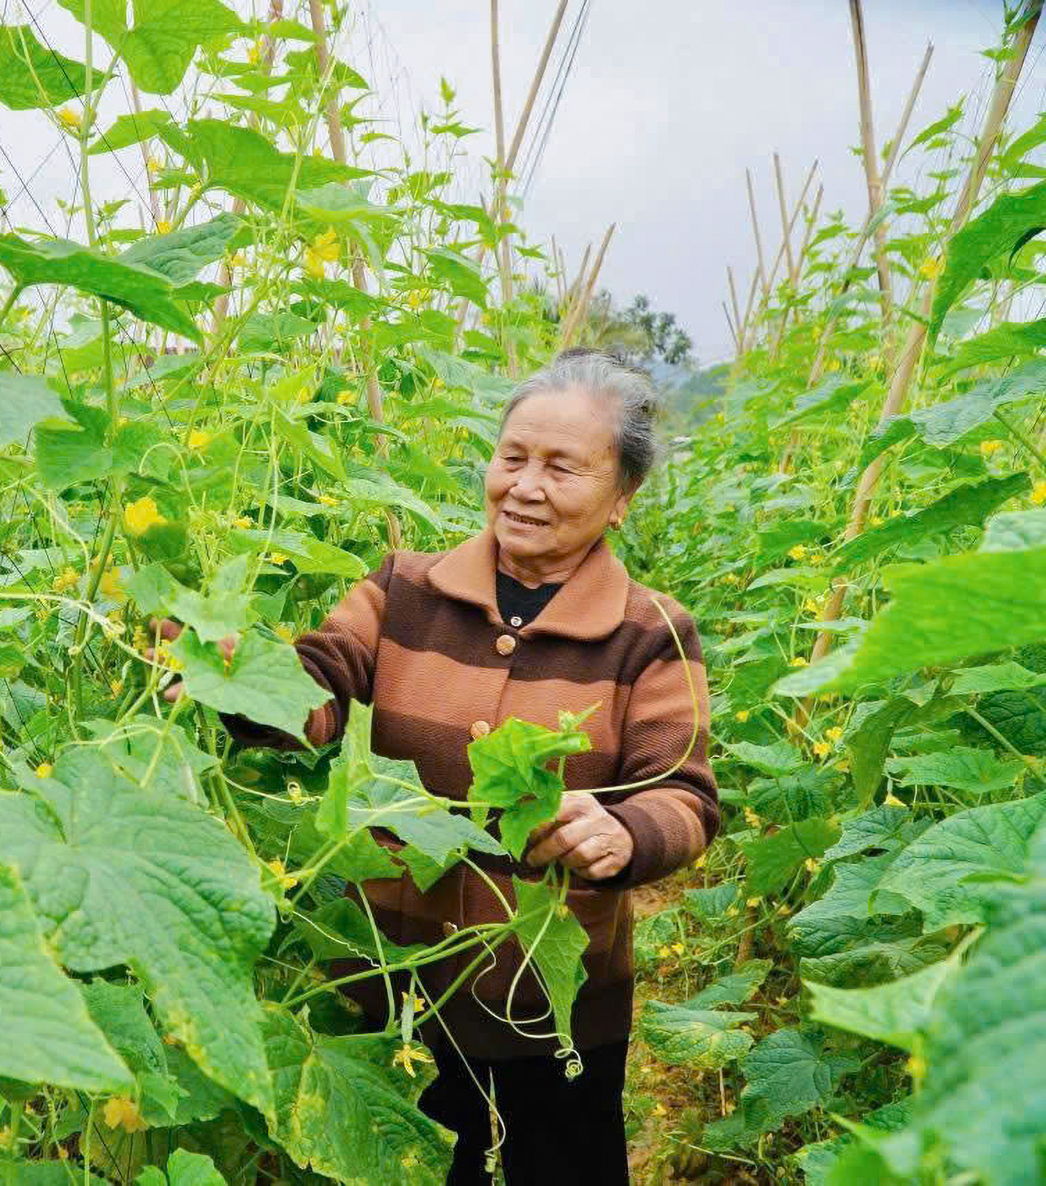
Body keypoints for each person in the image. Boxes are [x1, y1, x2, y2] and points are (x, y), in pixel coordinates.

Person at [155, 347, 717, 1185]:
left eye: (562, 467)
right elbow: (317, 689)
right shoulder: (401, 589)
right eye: (512, 457)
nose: (524, 486)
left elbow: (685, 794)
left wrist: (624, 832)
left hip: (552, 1006)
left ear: (621, 498)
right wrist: (236, 677)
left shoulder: (650, 632)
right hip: (389, 983)